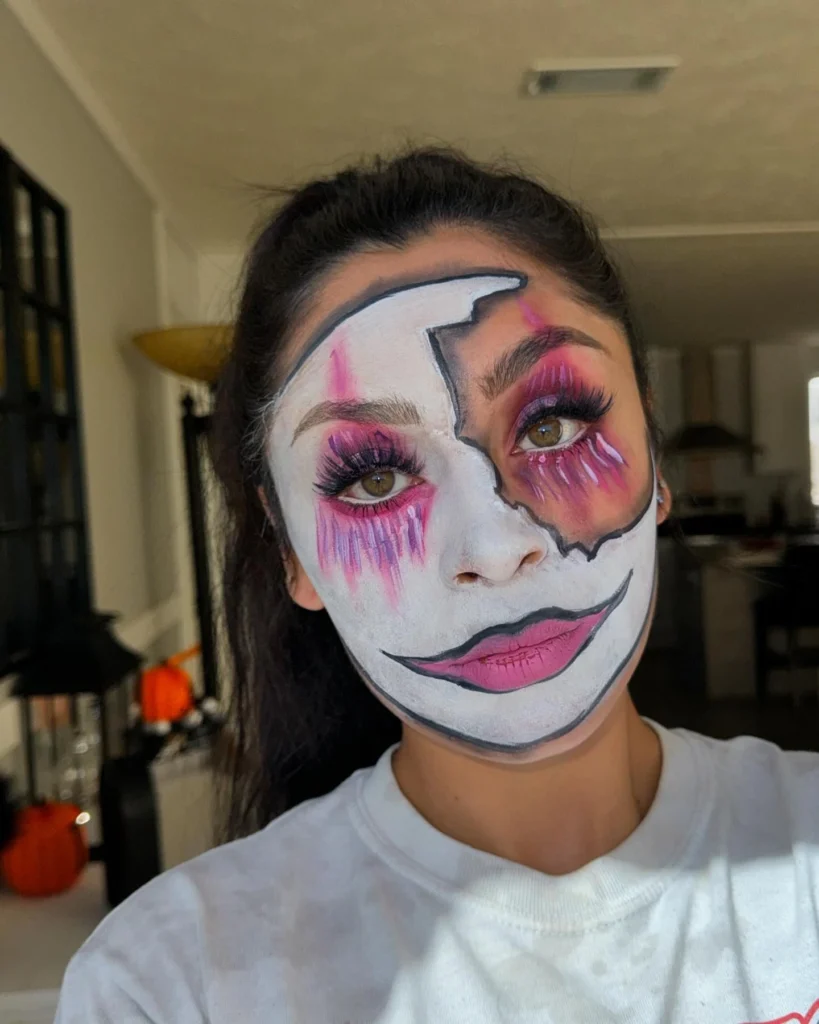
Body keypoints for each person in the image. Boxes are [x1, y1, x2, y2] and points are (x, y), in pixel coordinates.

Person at [56, 149, 819, 1024]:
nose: (496, 548)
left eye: (554, 421)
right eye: (373, 479)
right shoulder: (167, 982)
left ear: (653, 453)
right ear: (291, 554)